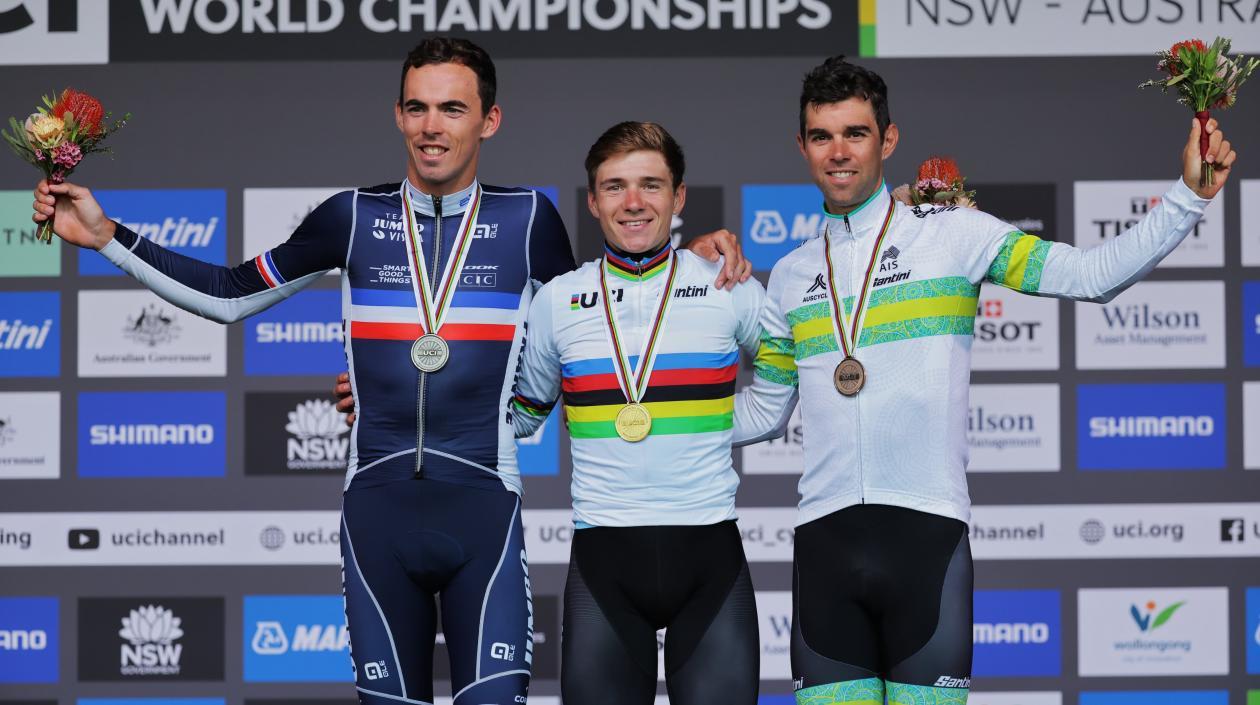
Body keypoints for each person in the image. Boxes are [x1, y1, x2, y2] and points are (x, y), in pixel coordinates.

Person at [31, 38, 747, 705]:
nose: (432, 126)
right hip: (377, 516)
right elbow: (228, 293)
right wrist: (106, 237)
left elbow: (603, 323)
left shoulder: (530, 218)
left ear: (489, 120)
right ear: (399, 115)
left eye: (453, 108)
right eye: (417, 106)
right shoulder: (350, 215)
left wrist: (696, 256)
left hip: (483, 514)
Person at [733, 56, 1235, 705]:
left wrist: (1186, 197)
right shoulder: (791, 274)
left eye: (855, 133)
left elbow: (1091, 276)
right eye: (822, 136)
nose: (838, 152)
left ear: (887, 140)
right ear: (802, 145)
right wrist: (637, 419)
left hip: (928, 544)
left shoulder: (953, 236)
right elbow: (764, 412)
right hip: (824, 547)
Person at [508, 122, 782, 705]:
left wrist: (712, 426)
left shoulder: (726, 283)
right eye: (615, 186)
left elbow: (781, 377)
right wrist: (403, 401)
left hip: (711, 563)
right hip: (603, 568)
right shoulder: (558, 299)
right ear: (593, 200)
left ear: (678, 196)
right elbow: (523, 416)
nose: (633, 202)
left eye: (651, 185)